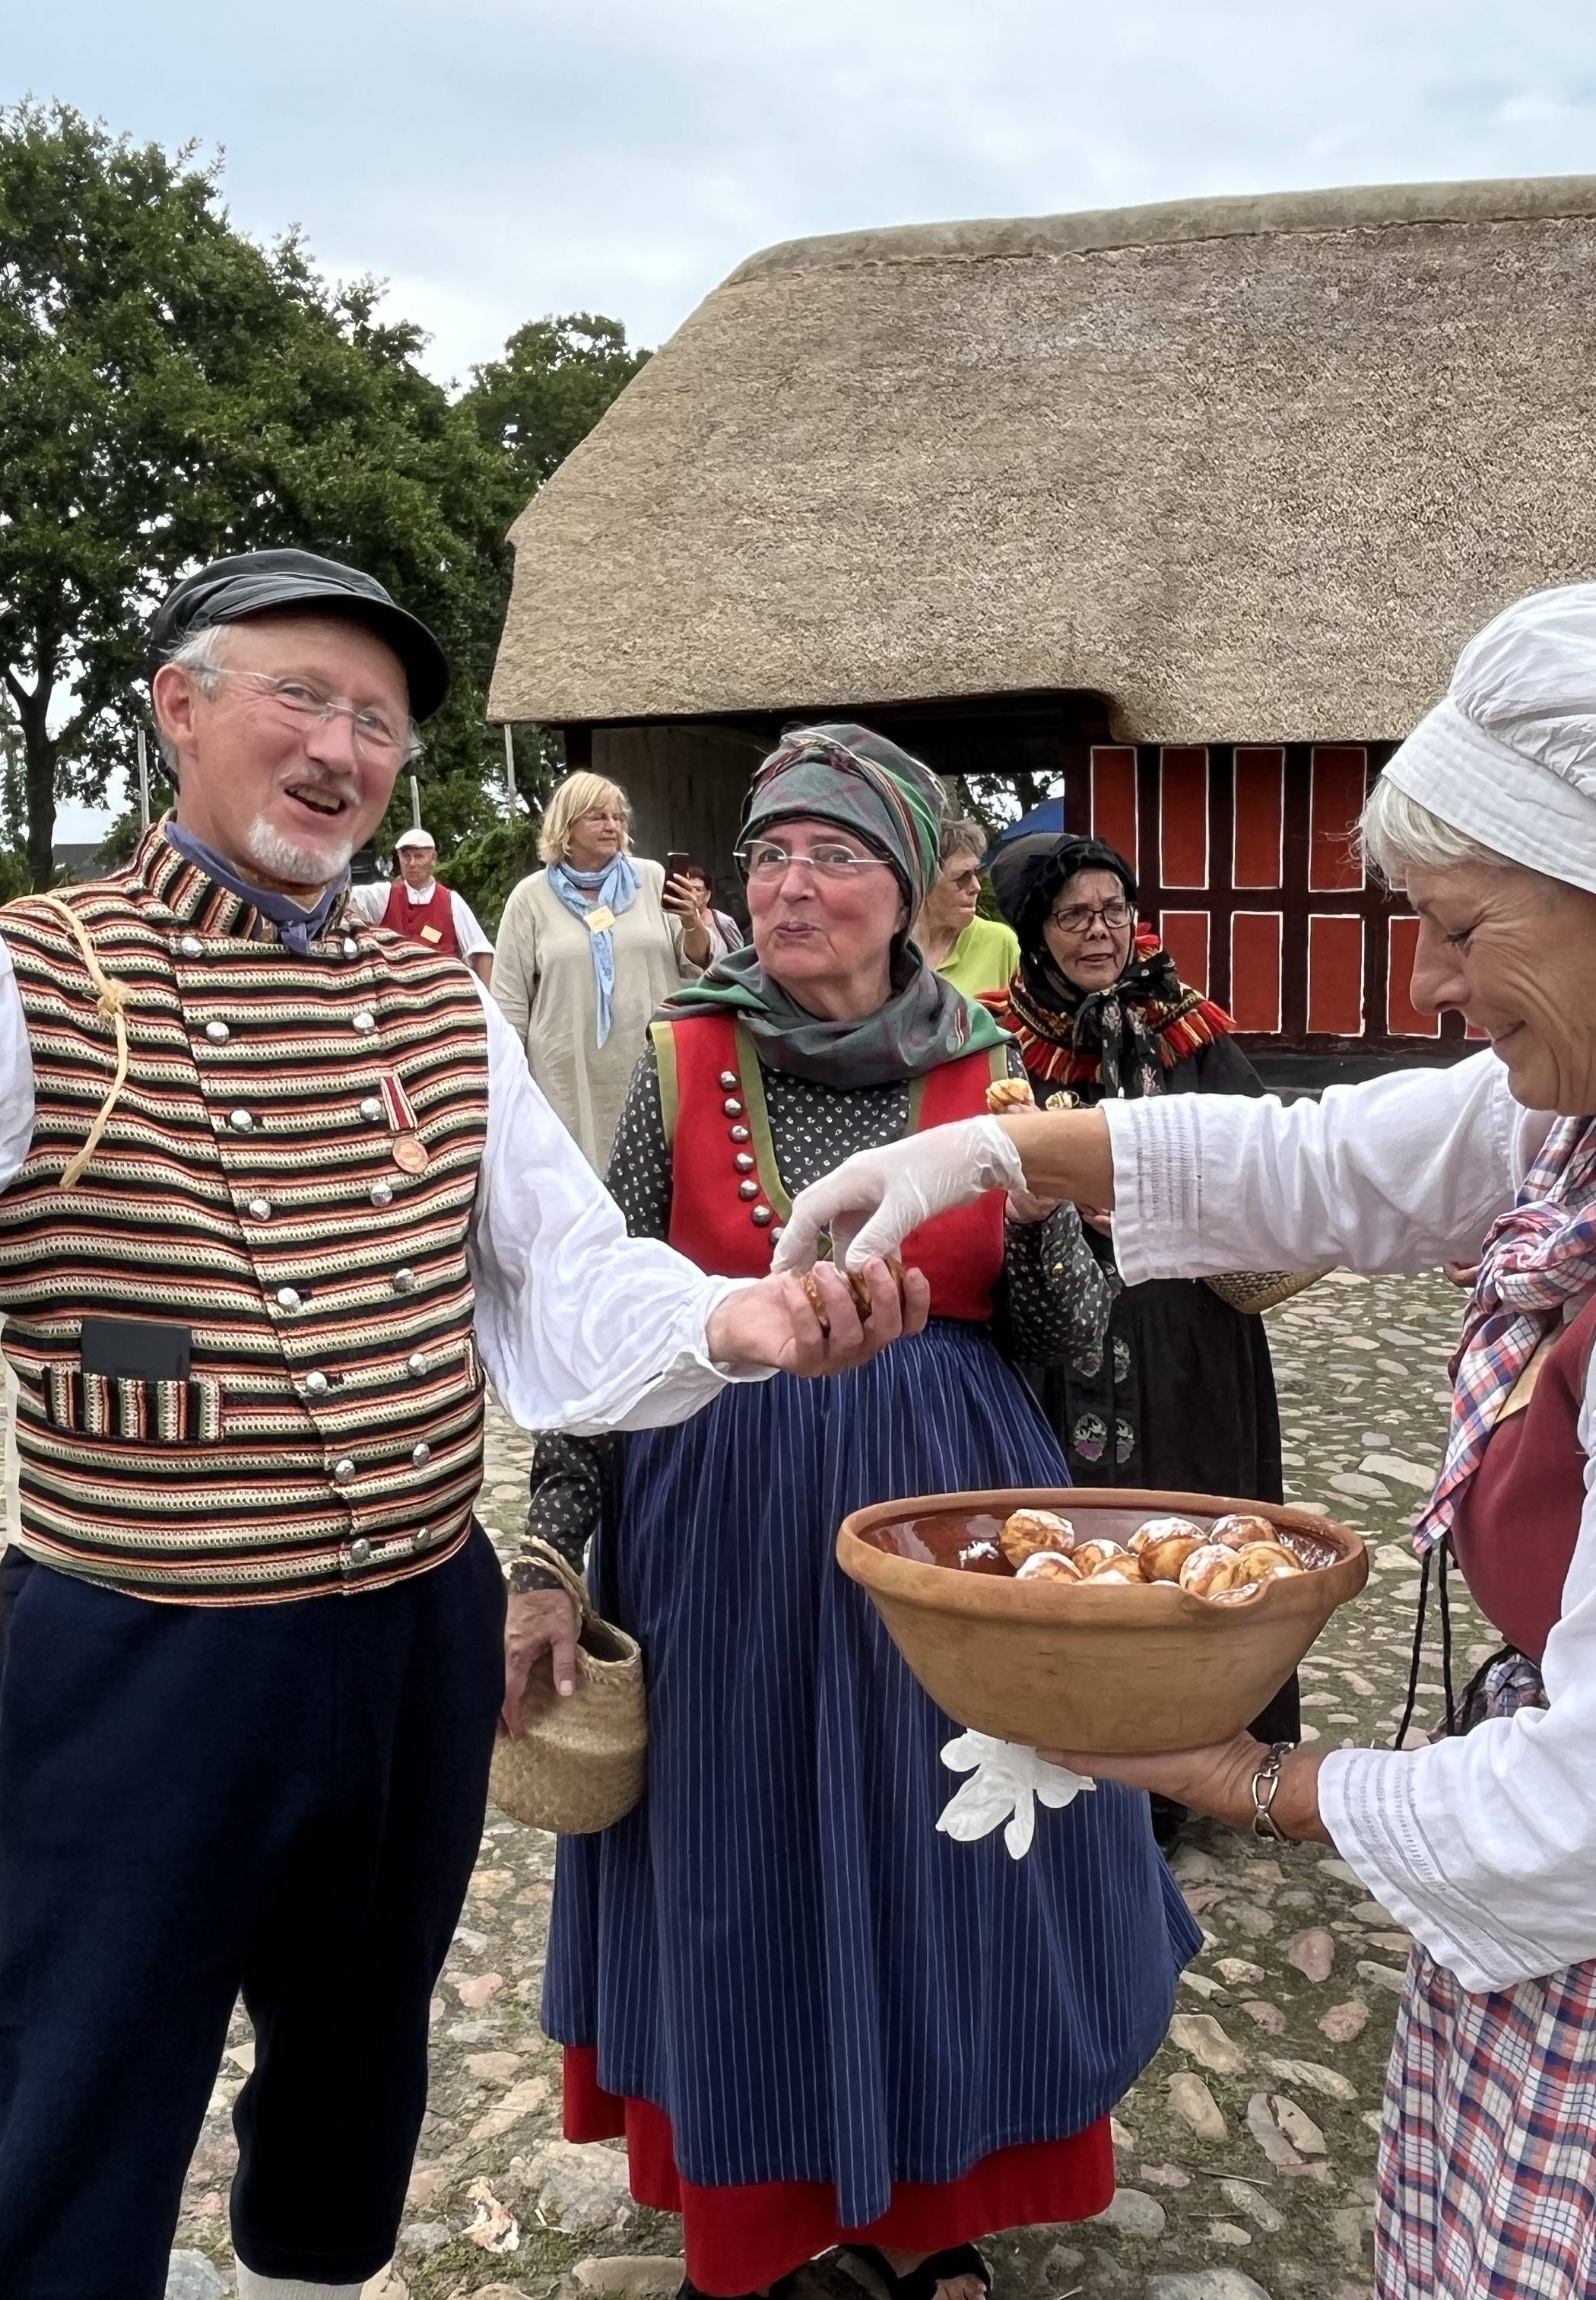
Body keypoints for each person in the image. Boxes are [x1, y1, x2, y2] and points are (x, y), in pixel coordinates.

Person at [0, 540, 928, 2300]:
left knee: (355, 2069)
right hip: (143, 1655)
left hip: (411, 1634)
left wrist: (736, 1315)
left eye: (378, 720)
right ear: (179, 708)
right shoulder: (6, 981)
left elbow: (563, 1275)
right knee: (86, 2079)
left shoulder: (438, 1008)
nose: (343, 746)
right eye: (299, 694)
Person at [777, 585, 1596, 2300]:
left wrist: (1249, 1777)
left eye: (1465, 929)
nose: (1430, 981)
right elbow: (1339, 1158)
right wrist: (996, 1161)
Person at [510, 725, 1194, 2300]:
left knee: (940, 1860)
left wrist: (1044, 1228)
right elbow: (596, 1323)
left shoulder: (988, 1074)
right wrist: (551, 1554)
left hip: (944, 1533)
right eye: (768, 855)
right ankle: (757, 2216)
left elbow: (1073, 1345)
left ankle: (933, 2209)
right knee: (743, 1855)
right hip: (721, 1533)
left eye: (835, 856)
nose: (792, 883)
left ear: (909, 893)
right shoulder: (680, 1060)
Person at [984, 832, 1296, 1819]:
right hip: (1056, 1343)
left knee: (1193, 1535)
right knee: (1067, 1536)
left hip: (1183, 1334)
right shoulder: (997, 1040)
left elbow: (1263, 1163)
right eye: (1075, 915)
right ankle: (1076, 1764)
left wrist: (1176, 1206)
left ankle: (1194, 1773)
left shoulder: (1188, 1031)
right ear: (1032, 929)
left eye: (1116, 910)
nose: (1103, 933)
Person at [492, 770, 715, 1170]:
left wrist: (693, 924)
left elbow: (696, 963)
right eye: (598, 816)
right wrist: (511, 1082)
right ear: (567, 825)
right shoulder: (531, 898)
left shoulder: (653, 879)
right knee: (576, 1182)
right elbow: (508, 1002)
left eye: (618, 817)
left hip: (647, 1056)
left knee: (654, 1174)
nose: (612, 826)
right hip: (566, 1070)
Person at [351, 823, 492, 981]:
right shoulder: (383, 895)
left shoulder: (452, 901)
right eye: (406, 856)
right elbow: (341, 899)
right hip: (396, 991)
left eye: (419, 856)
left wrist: (487, 999)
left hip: (443, 991)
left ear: (433, 859)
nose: (411, 863)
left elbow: (481, 951)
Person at [916, 810, 1018, 995]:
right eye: (962, 877)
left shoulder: (999, 943)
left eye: (976, 873)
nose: (976, 887)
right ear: (924, 881)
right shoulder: (889, 948)